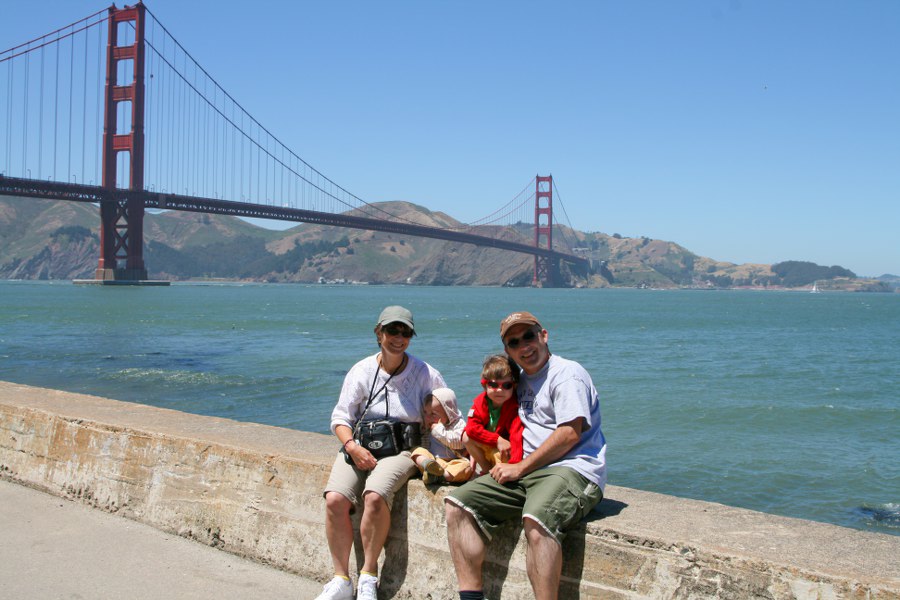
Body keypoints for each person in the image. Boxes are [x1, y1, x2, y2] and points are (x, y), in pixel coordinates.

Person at [445, 311, 607, 600]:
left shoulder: (566, 374)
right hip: (525, 469)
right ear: (508, 351)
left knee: (537, 518)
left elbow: (570, 433)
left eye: (529, 336)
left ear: (544, 336)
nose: (524, 346)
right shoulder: (518, 380)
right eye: (514, 341)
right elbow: (492, 410)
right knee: (458, 504)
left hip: (571, 468)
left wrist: (519, 468)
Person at [316, 306, 445, 600]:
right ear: (379, 333)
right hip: (360, 443)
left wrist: (439, 457)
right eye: (392, 331)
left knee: (374, 496)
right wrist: (352, 446)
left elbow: (445, 414)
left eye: (405, 332)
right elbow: (340, 418)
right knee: (335, 498)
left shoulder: (426, 374)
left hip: (403, 448)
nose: (398, 338)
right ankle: (340, 579)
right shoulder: (361, 371)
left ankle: (368, 577)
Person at [464, 354, 524, 474]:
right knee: (466, 437)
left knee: (504, 457)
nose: (499, 390)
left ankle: (498, 473)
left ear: (514, 386)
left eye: (506, 385)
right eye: (493, 385)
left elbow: (516, 438)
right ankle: (486, 469)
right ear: (484, 385)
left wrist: (515, 467)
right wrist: (497, 439)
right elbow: (471, 428)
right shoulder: (480, 403)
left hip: (504, 450)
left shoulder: (514, 408)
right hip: (490, 444)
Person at [410, 387, 472, 485]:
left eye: (433, 414)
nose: (428, 417)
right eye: (426, 412)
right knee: (417, 451)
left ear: (449, 412)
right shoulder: (428, 425)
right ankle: (427, 465)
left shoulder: (458, 424)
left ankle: (441, 476)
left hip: (452, 462)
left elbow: (458, 443)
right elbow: (423, 441)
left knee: (466, 467)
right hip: (434, 460)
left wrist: (438, 430)